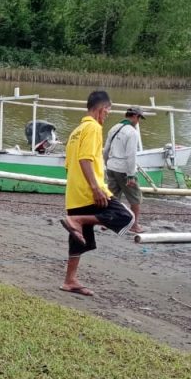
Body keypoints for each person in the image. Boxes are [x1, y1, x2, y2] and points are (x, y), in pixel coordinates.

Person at [59, 90, 136, 296]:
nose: (107, 115)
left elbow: (69, 164)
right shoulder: (93, 128)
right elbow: (85, 159)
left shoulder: (77, 130)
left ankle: (70, 280)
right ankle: (79, 220)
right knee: (126, 216)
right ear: (102, 109)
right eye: (108, 111)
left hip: (74, 191)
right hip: (89, 189)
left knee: (79, 238)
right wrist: (95, 188)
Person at [103, 105, 147, 233]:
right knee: (136, 198)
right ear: (135, 116)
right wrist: (131, 175)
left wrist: (107, 164)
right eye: (139, 118)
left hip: (111, 166)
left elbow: (106, 149)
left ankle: (107, 221)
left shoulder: (114, 128)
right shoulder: (132, 132)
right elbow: (130, 155)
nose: (138, 121)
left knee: (112, 196)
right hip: (123, 169)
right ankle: (134, 225)